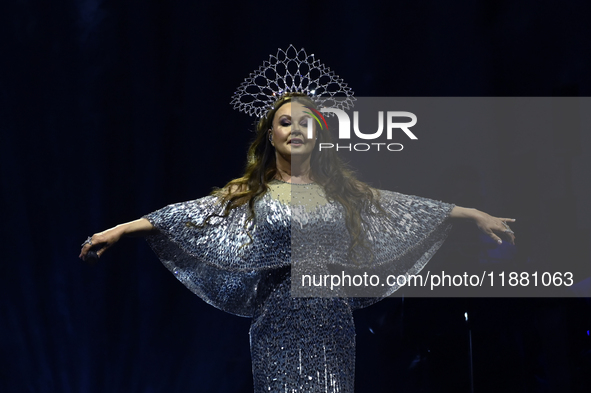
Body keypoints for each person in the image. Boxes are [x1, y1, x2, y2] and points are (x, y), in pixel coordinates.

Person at [79, 48, 515, 392]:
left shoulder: (342, 191)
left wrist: (473, 214)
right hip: (277, 320)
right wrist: (119, 230)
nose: (296, 129)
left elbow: (403, 207)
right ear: (272, 135)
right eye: (285, 122)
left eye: (305, 122)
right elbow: (188, 215)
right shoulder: (252, 191)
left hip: (332, 320)